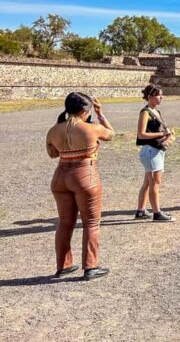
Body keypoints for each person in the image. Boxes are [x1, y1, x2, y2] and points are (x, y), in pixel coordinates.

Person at [45, 92, 114, 280]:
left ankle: (63, 265)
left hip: (61, 176)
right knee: (91, 222)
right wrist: (100, 114)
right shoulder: (91, 128)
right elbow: (111, 134)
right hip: (85, 174)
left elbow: (52, 154)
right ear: (84, 110)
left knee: (65, 222)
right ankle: (90, 266)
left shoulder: (54, 130)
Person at [135, 84, 176, 222]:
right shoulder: (145, 112)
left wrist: (167, 136)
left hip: (156, 151)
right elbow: (141, 135)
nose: (161, 97)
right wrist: (163, 133)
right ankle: (157, 213)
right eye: (159, 95)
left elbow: (156, 133)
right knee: (155, 183)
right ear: (150, 97)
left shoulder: (156, 111)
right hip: (150, 151)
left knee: (148, 183)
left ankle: (140, 211)